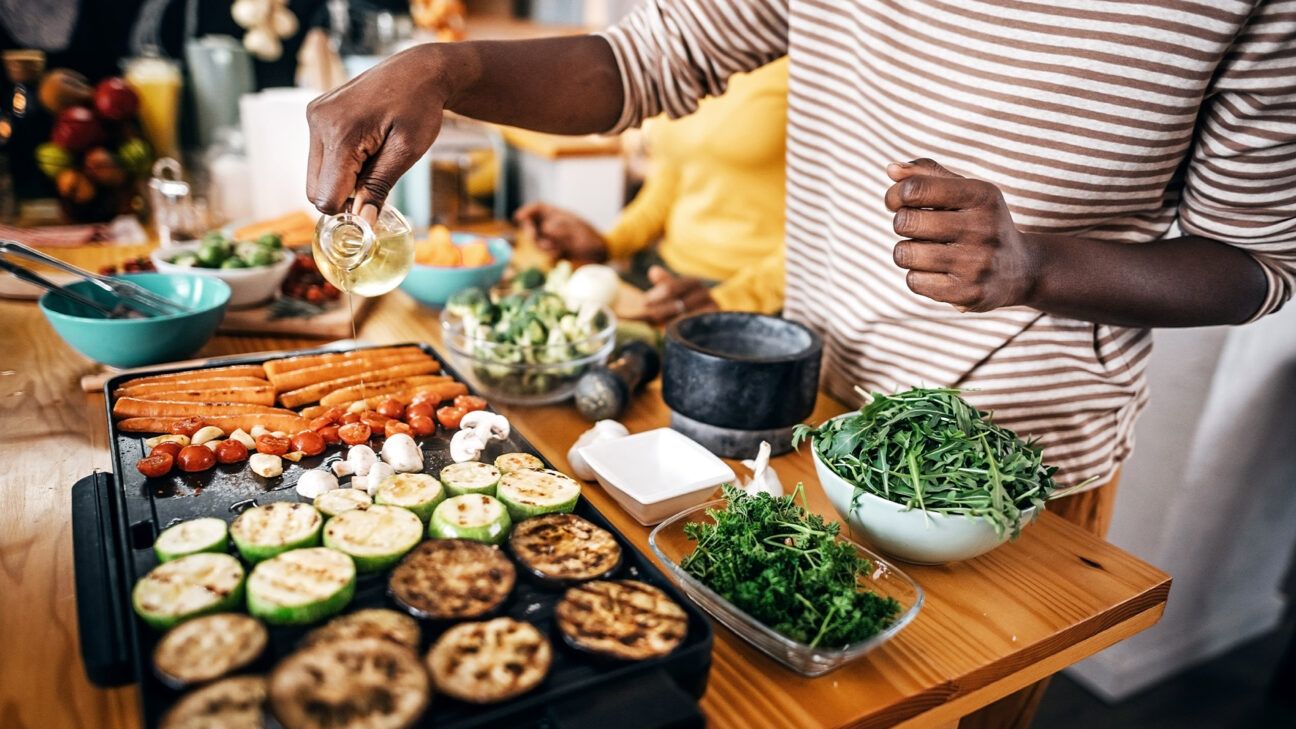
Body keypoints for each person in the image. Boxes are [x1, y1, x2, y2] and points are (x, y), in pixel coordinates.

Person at [305, 3, 1295, 724]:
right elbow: (652, 59)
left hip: (1008, 488)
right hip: (805, 415)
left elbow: (1257, 263)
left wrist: (1041, 264)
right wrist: (450, 68)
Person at [513, 57, 789, 322]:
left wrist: (732, 299)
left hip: (755, 297)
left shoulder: (800, 64)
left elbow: (825, 230)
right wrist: (607, 243)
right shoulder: (686, 57)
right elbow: (670, 180)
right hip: (663, 273)